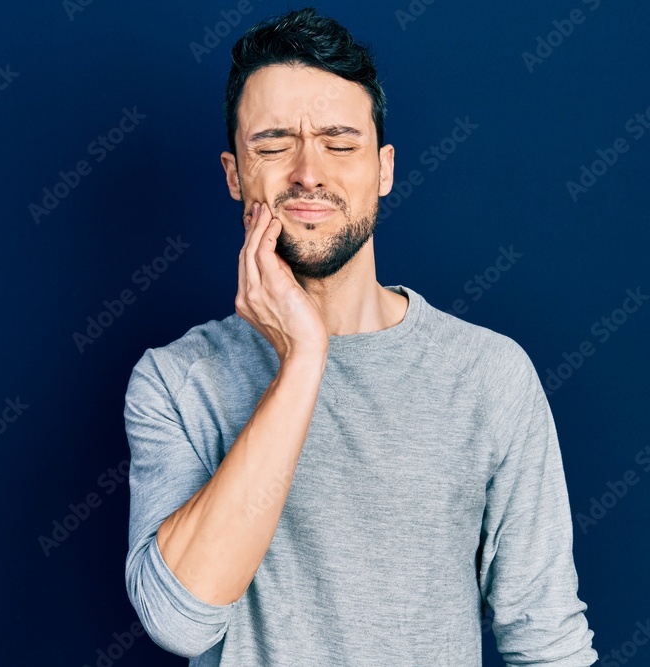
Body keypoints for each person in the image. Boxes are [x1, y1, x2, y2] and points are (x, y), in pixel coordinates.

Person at [123, 7, 597, 665]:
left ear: (384, 169)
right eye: (273, 144)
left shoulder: (489, 374)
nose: (309, 172)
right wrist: (304, 360)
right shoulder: (176, 381)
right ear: (234, 174)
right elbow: (180, 621)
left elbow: (548, 641)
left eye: (341, 143)